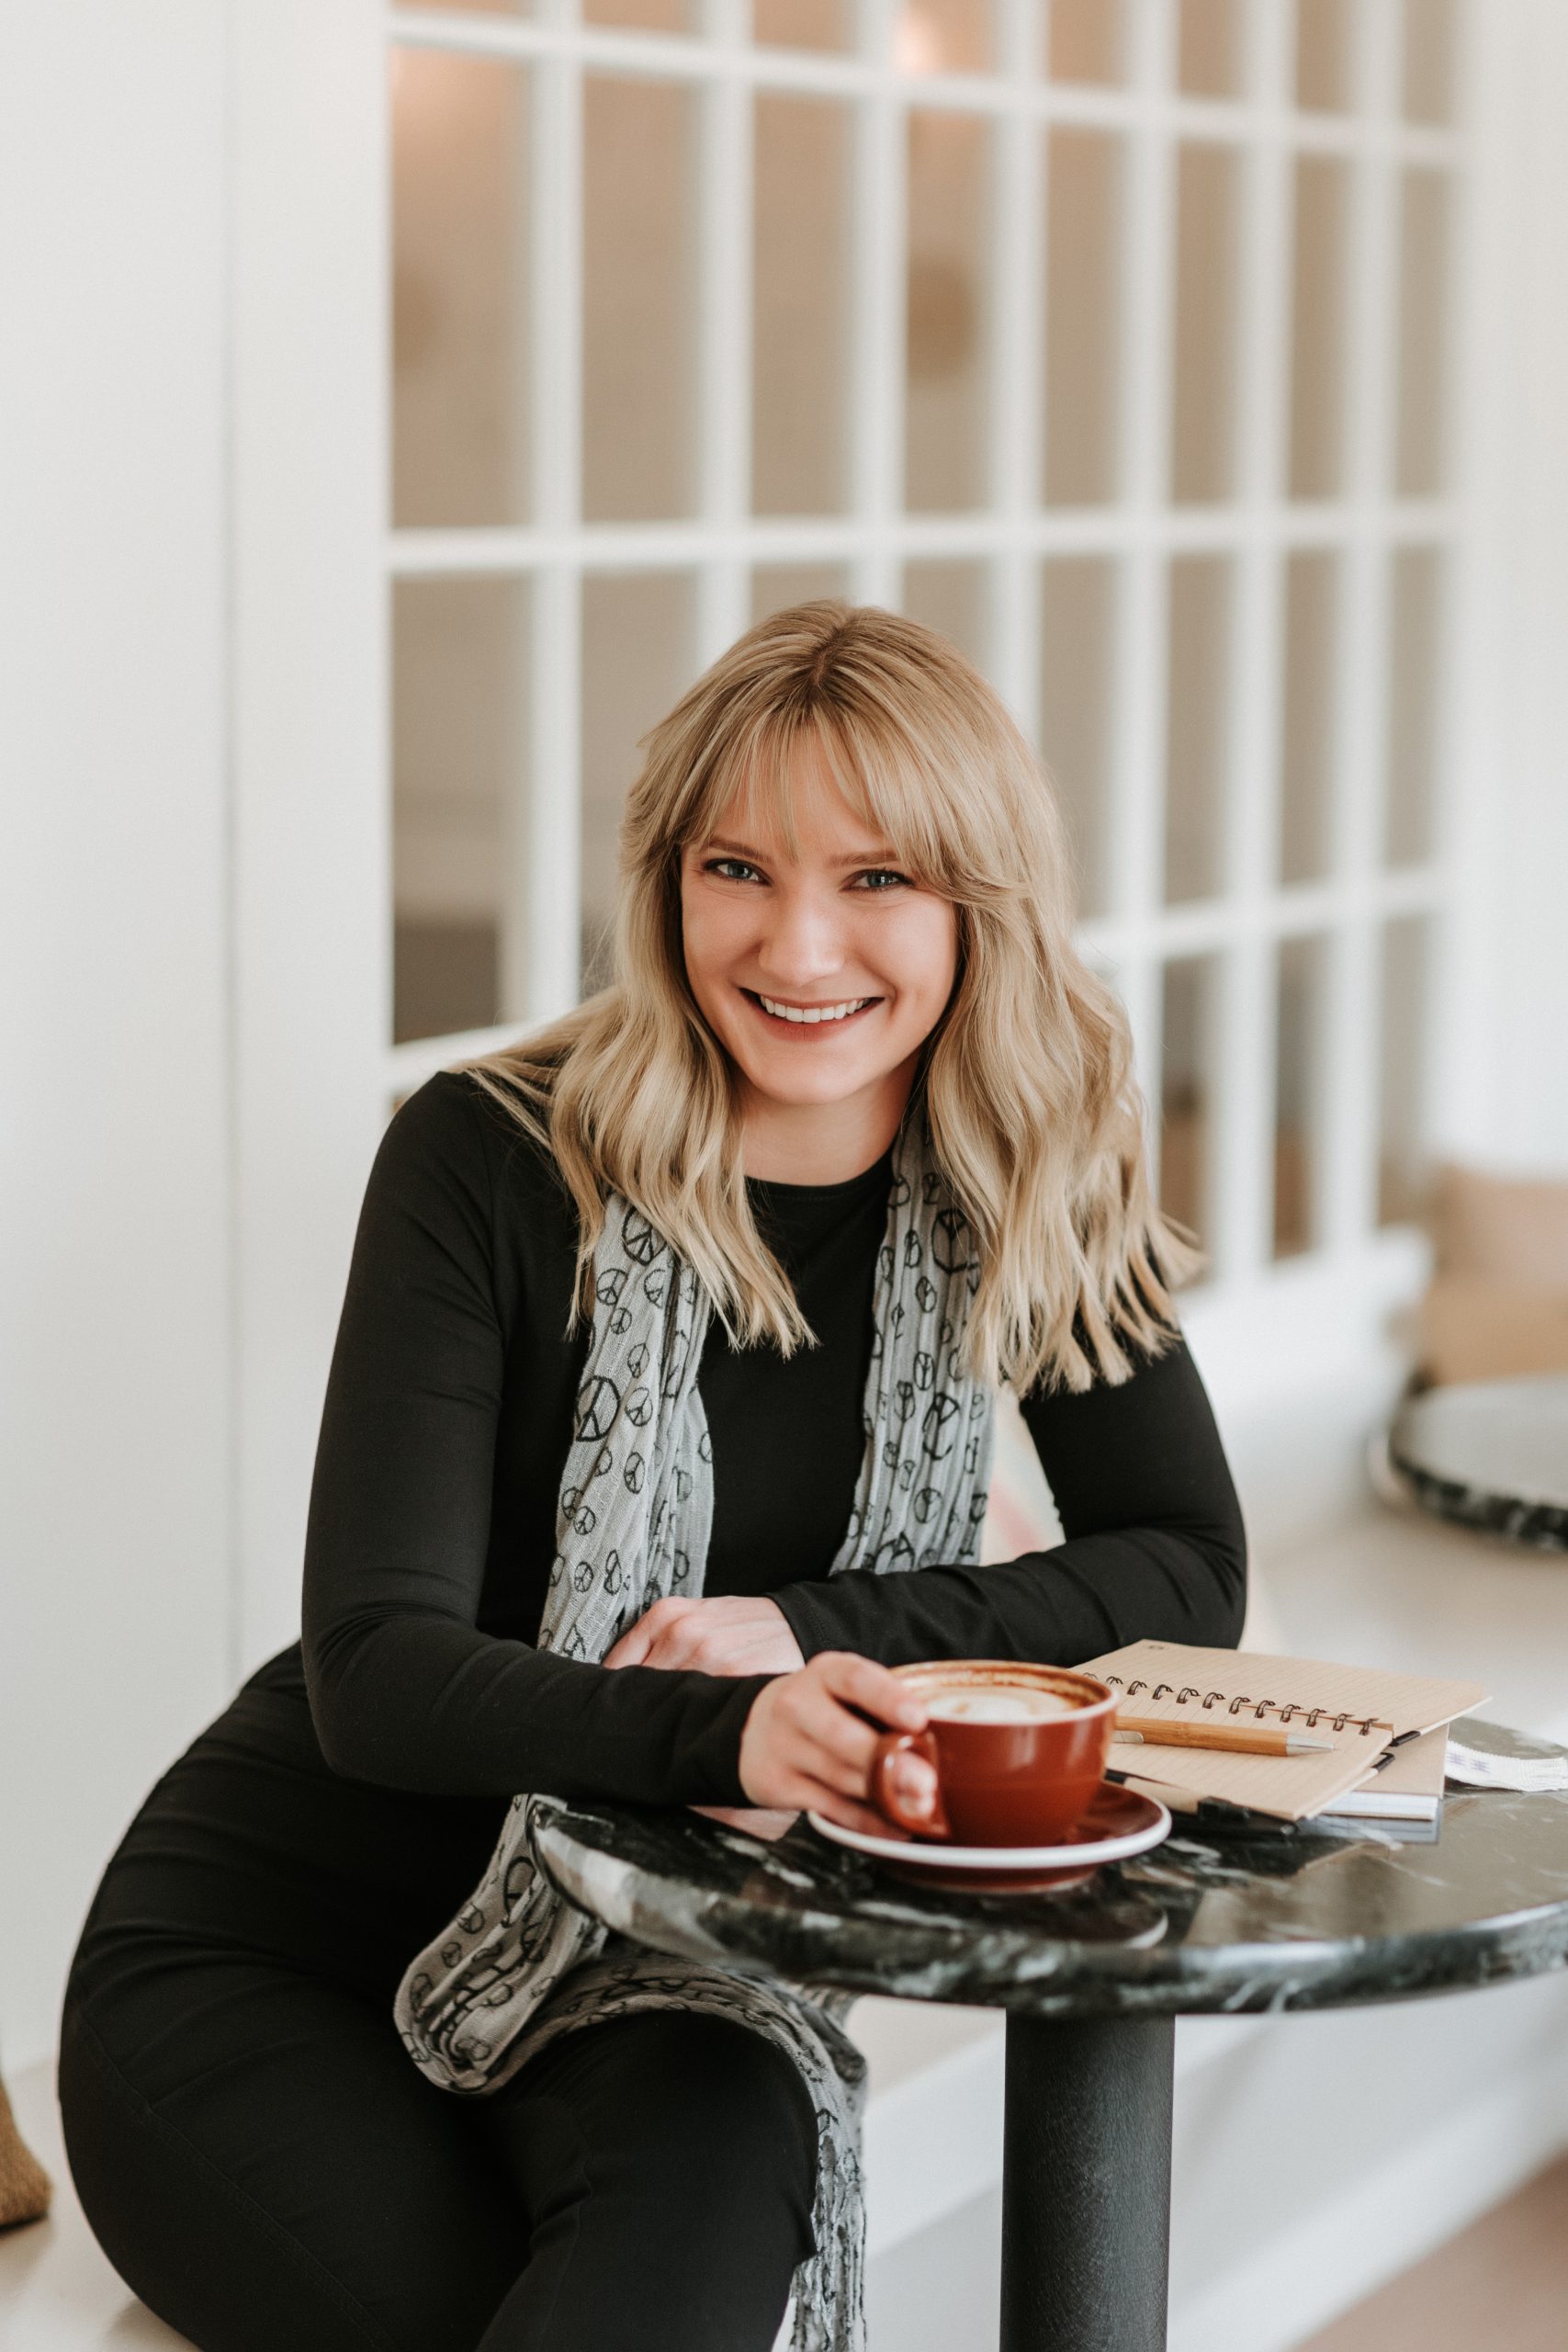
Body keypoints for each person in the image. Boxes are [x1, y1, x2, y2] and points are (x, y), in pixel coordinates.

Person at [59, 602, 1246, 2352]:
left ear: (977, 903)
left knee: (690, 2231)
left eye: (879, 879)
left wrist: (803, 1632)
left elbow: (1186, 1564)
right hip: (274, 1956)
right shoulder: (488, 1154)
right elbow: (372, 1676)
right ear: (667, 879)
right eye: (737, 867)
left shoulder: (1031, 1162)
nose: (798, 942)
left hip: (665, 1976)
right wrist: (726, 1736)